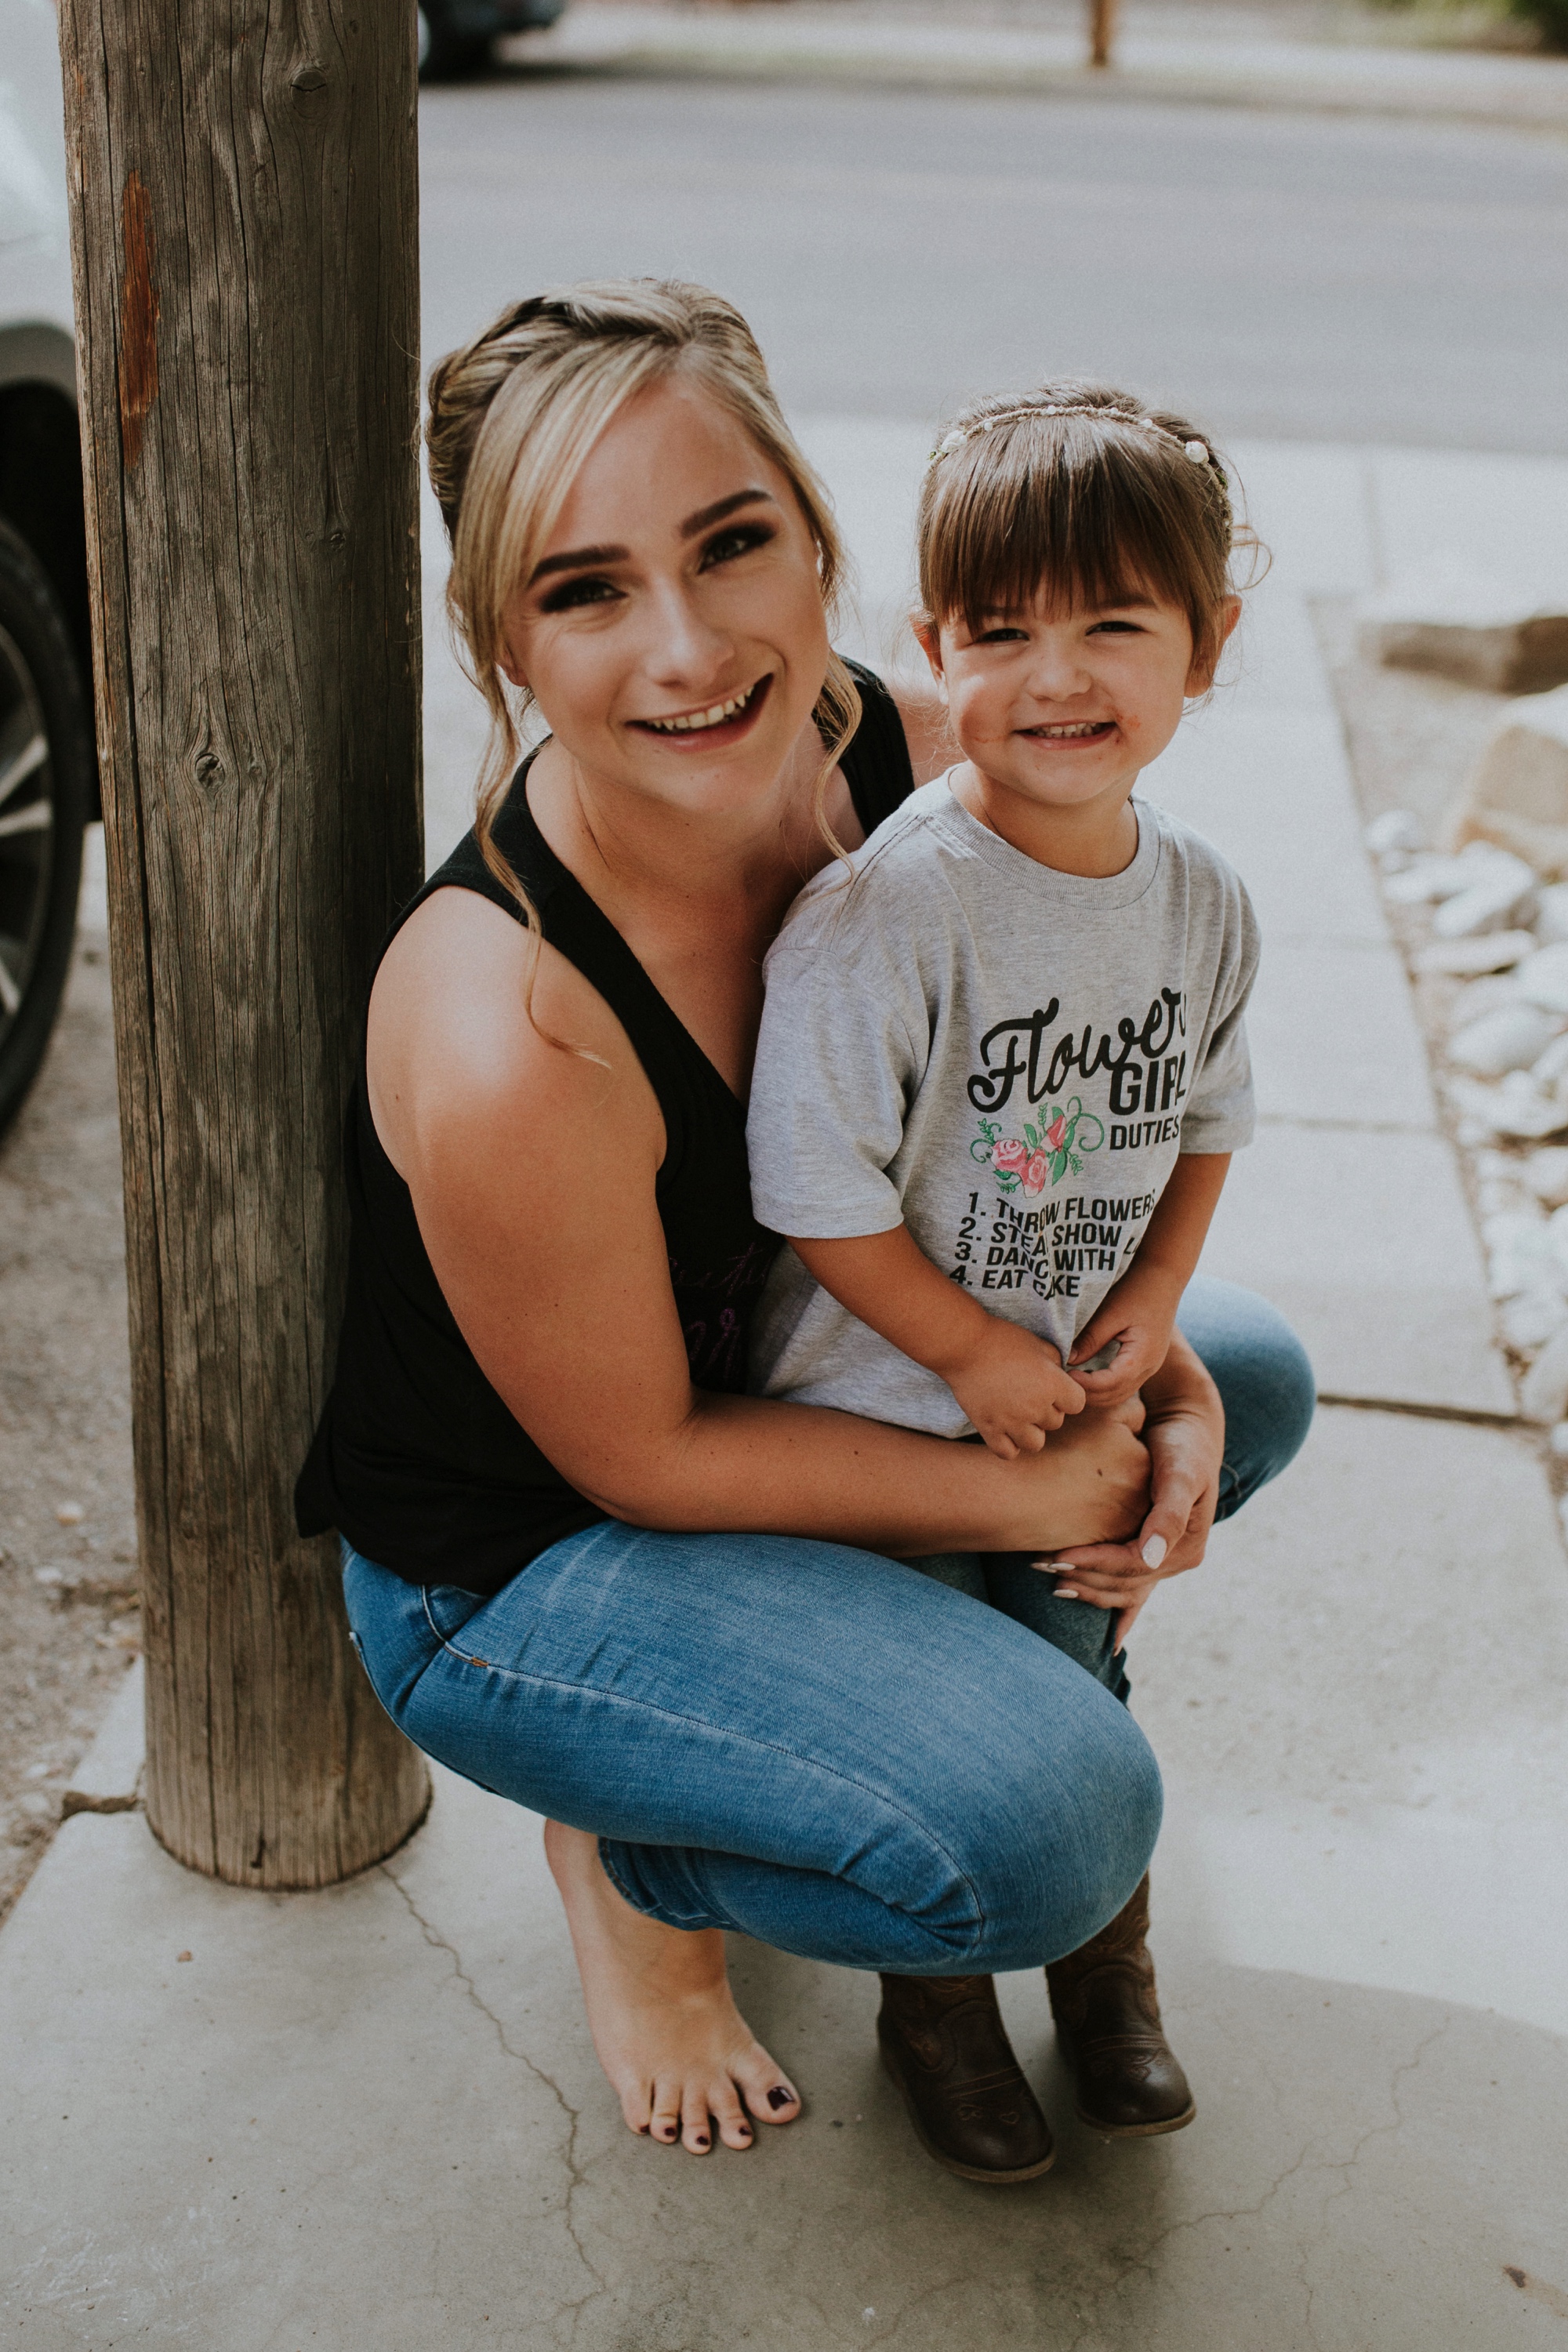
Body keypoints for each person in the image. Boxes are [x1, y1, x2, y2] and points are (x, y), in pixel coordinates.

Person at [295, 280, 1315, 2187]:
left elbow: (1056, 1130)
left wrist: (1137, 1356)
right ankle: (637, 1867)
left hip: (807, 1369)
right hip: (534, 1558)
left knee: (1247, 1379)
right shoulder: (507, 1023)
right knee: (1049, 1834)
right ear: (500, 634)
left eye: (731, 544)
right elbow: (641, 1456)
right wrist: (1040, 1498)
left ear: (814, 533)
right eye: (585, 589)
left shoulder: (906, 753)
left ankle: (857, 1705)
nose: (687, 649)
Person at [745, 382, 1263, 2164]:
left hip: (1066, 1398)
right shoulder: (897, 910)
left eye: (1114, 623)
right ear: (930, 645)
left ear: (1209, 646)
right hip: (890, 1413)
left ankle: (1105, 1973)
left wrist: (1164, 1297)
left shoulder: (1199, 900)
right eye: (1004, 631)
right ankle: (937, 2006)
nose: (1059, 676)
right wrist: (966, 1354)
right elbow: (811, 1191)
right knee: (958, 1727)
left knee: (1083, 1664)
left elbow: (1205, 1111)